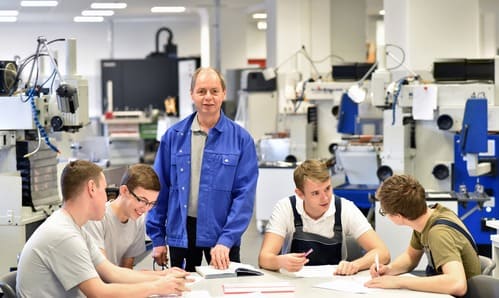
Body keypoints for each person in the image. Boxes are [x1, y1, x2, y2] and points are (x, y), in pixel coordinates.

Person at [17, 160, 191, 298]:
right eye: (104, 189)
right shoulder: (63, 234)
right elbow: (99, 293)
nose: (107, 197)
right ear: (92, 188)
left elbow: (112, 272)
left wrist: (164, 276)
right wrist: (156, 287)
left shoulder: (75, 228)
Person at [146, 67, 259, 272]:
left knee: (227, 290)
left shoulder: (241, 140)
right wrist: (158, 238)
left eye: (214, 91)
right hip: (182, 231)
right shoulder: (173, 136)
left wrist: (227, 239)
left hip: (222, 231)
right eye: (201, 91)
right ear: (192, 95)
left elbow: (244, 196)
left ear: (224, 94)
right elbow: (159, 188)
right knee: (183, 288)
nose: (208, 97)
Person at [258, 159, 390, 275]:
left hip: (335, 284)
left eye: (327, 188)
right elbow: (264, 258)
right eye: (315, 193)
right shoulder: (286, 208)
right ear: (300, 194)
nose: (325, 198)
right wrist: (279, 261)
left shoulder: (345, 208)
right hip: (294, 283)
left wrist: (355, 265)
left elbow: (383, 252)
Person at [365, 174, 480, 296]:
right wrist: (389, 269)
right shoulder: (425, 218)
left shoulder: (439, 233)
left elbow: (457, 284)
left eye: (384, 212)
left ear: (398, 217)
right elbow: (410, 257)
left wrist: (400, 282)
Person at [83, 164, 159, 269]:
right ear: (124, 191)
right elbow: (103, 271)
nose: (146, 209)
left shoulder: (138, 220)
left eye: (151, 203)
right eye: (142, 200)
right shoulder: (97, 218)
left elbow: (127, 267)